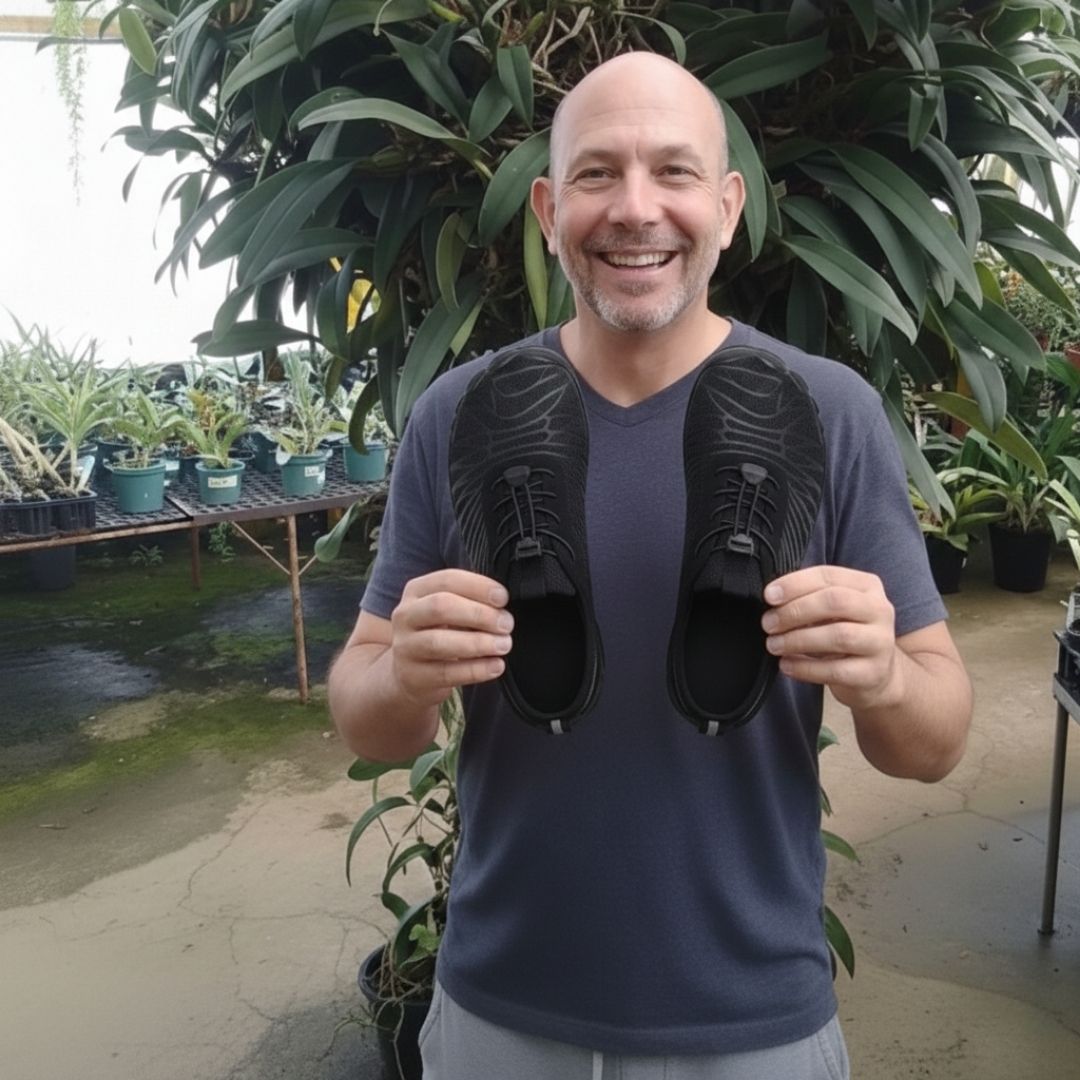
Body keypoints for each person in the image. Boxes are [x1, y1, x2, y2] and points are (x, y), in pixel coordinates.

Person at [328, 51, 972, 1080]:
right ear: (547, 208)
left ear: (726, 207)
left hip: (754, 1020)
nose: (636, 210)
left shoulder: (828, 412)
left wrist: (886, 676)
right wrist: (403, 672)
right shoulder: (461, 415)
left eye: (673, 173)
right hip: (502, 1008)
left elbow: (933, 745)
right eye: (596, 174)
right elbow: (364, 716)